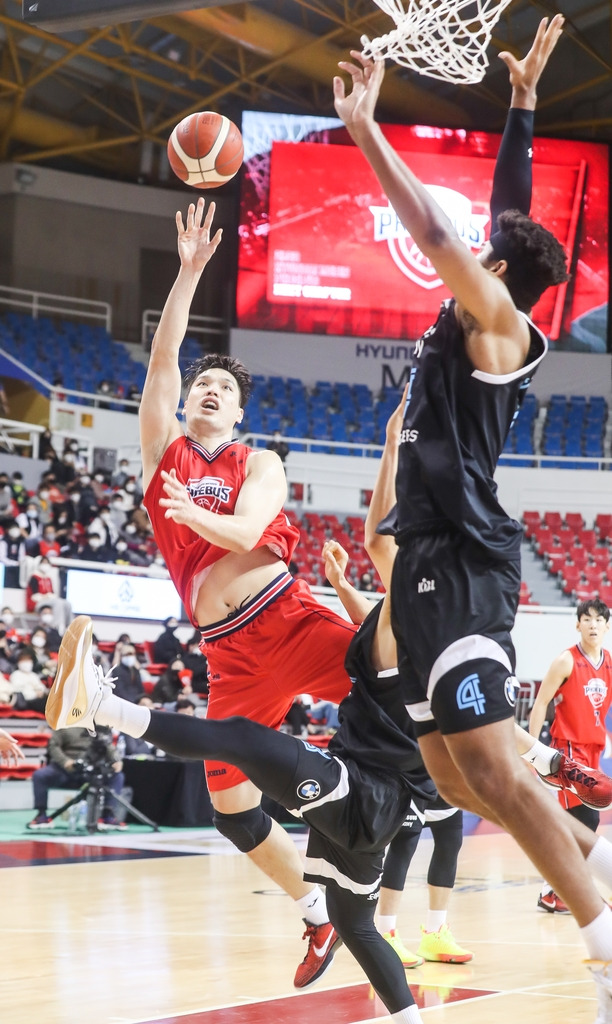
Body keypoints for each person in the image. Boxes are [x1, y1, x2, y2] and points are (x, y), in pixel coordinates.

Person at [43, 380, 612, 1024]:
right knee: (360, 919)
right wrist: (385, 466)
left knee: (254, 744)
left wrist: (398, 452)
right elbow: (374, 549)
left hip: (368, 792)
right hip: (368, 793)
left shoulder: (420, 637)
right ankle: (386, 984)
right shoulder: (378, 640)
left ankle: (103, 705)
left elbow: (378, 546)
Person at [332, 18, 612, 1018]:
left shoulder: (496, 326)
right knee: (455, 779)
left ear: (503, 281)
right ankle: (596, 856)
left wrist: (367, 132)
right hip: (425, 557)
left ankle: (602, 942)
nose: (471, 262)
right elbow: (505, 216)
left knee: (488, 764)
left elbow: (449, 237)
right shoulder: (490, 304)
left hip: (463, 553)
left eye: (488, 261)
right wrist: (524, 106)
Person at [133, 191, 359, 988]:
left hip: (293, 619)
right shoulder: (165, 454)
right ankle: (314, 912)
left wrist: (198, 511)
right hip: (231, 655)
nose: (206, 392)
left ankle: (531, 766)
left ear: (241, 412)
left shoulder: (258, 464)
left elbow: (251, 530)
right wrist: (191, 271)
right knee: (230, 808)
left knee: (403, 690)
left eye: (222, 390)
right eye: (202, 386)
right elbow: (164, 361)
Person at [528, 596, 612, 913]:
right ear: (577, 624)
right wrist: (530, 752)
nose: (592, 624)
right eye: (586, 619)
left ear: (606, 626)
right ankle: (558, 891)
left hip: (592, 753)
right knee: (584, 820)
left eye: (598, 620)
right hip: (566, 754)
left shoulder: (609, 664)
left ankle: (554, 891)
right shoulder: (566, 661)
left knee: (578, 826)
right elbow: (539, 704)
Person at [26, 726, 125, 830]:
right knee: (40, 775)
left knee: (117, 776)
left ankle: (107, 815)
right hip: (65, 769)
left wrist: (116, 760)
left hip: (91, 769)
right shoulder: (64, 724)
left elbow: (108, 745)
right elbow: (53, 746)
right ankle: (41, 815)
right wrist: (65, 761)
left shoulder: (99, 727)